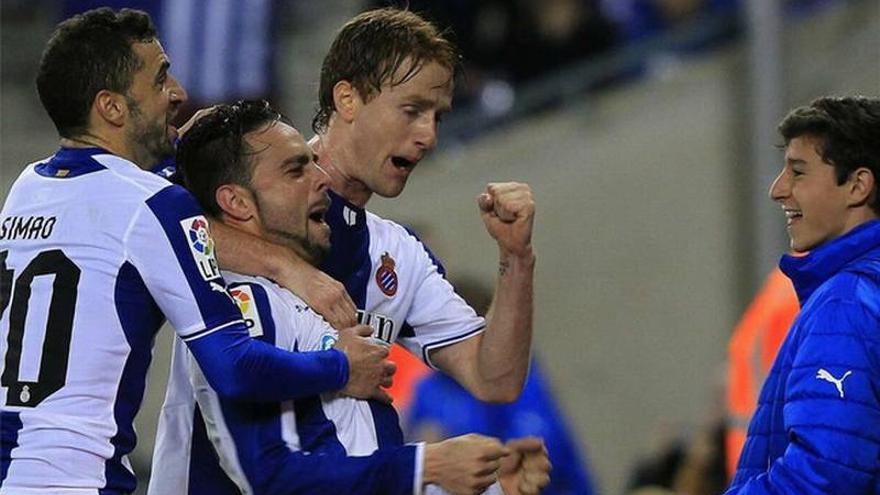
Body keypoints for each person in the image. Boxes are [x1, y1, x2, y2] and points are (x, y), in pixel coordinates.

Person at [0, 9, 390, 494]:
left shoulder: (27, 189)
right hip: (77, 480)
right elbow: (236, 368)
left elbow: (128, 208)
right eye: (161, 78)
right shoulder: (155, 205)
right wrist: (341, 365)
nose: (180, 93)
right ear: (112, 108)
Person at [151, 6, 540, 493]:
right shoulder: (250, 184)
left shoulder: (397, 253)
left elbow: (495, 378)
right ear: (348, 98)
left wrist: (516, 259)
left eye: (438, 116)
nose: (428, 136)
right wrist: (287, 267)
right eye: (412, 110)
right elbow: (151, 224)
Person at [725, 95, 880, 494]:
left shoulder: (846, 302)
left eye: (798, 172)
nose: (778, 190)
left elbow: (823, 475)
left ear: (858, 186)